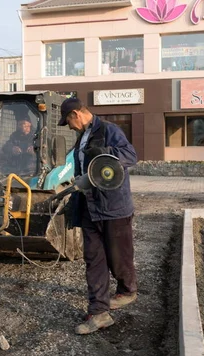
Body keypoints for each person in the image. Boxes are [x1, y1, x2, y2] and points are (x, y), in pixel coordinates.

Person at [58, 97, 138, 335]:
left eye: (68, 121)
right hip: (90, 207)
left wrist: (105, 152)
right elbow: (88, 169)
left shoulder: (108, 130)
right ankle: (99, 312)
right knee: (94, 259)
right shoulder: (81, 137)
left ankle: (127, 290)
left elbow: (130, 156)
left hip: (113, 207)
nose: (69, 127)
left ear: (76, 114)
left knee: (118, 257)